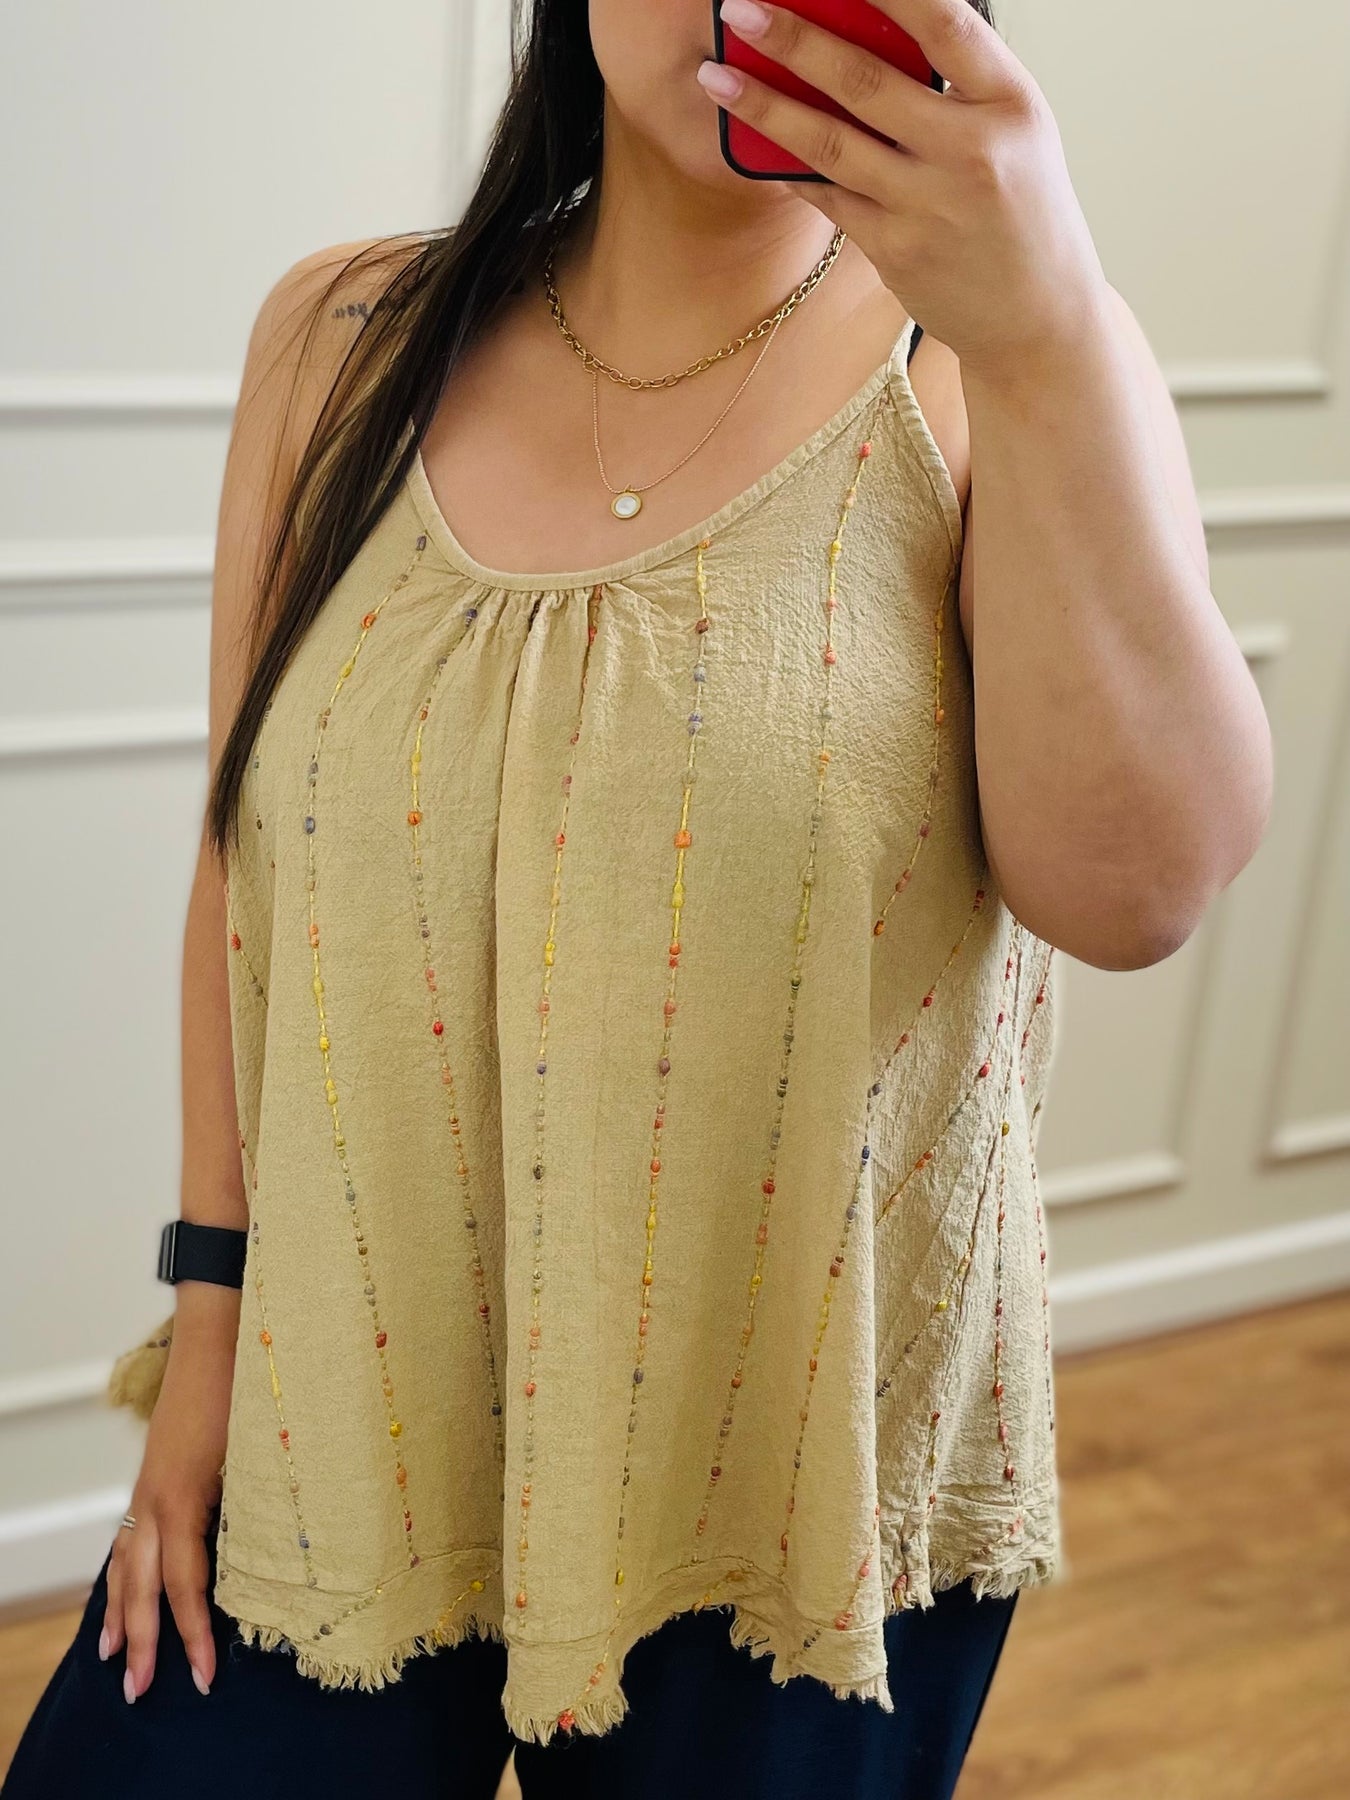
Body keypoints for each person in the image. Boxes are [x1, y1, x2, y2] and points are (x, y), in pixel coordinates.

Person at [4, 1, 1272, 1796]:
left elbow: (1135, 890)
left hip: (788, 1468)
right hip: (343, 1399)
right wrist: (210, 1315)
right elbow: (239, 876)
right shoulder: (341, 342)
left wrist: (1044, 323)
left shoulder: (1004, 363)